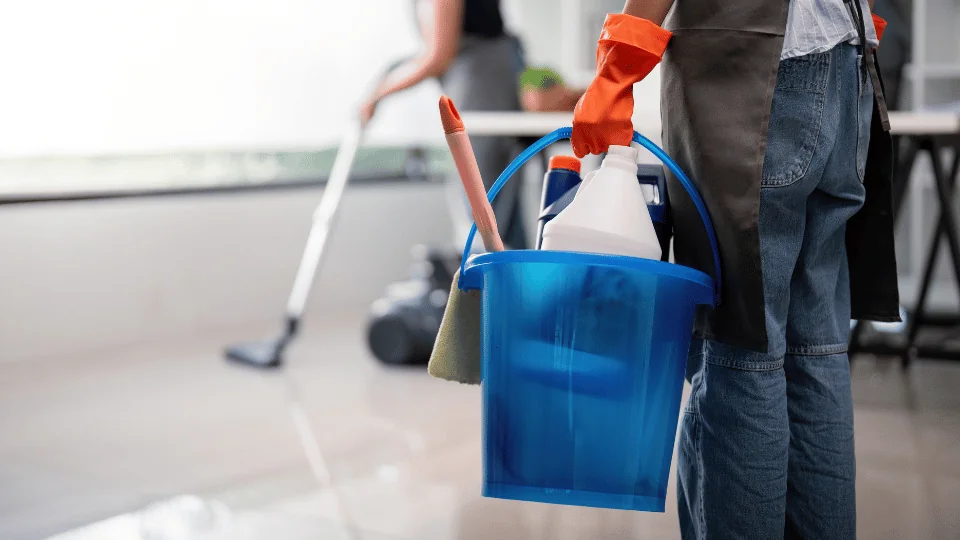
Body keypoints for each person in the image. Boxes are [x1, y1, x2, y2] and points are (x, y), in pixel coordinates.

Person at [571, 0, 899, 538]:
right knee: (816, 349)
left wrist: (617, 69)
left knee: (743, 346)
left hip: (752, 74)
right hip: (848, 66)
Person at [360, 0, 529, 249]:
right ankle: (498, 267)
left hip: (483, 88)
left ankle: (497, 269)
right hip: (482, 83)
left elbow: (439, 56)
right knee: (488, 199)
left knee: (485, 201)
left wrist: (378, 95)